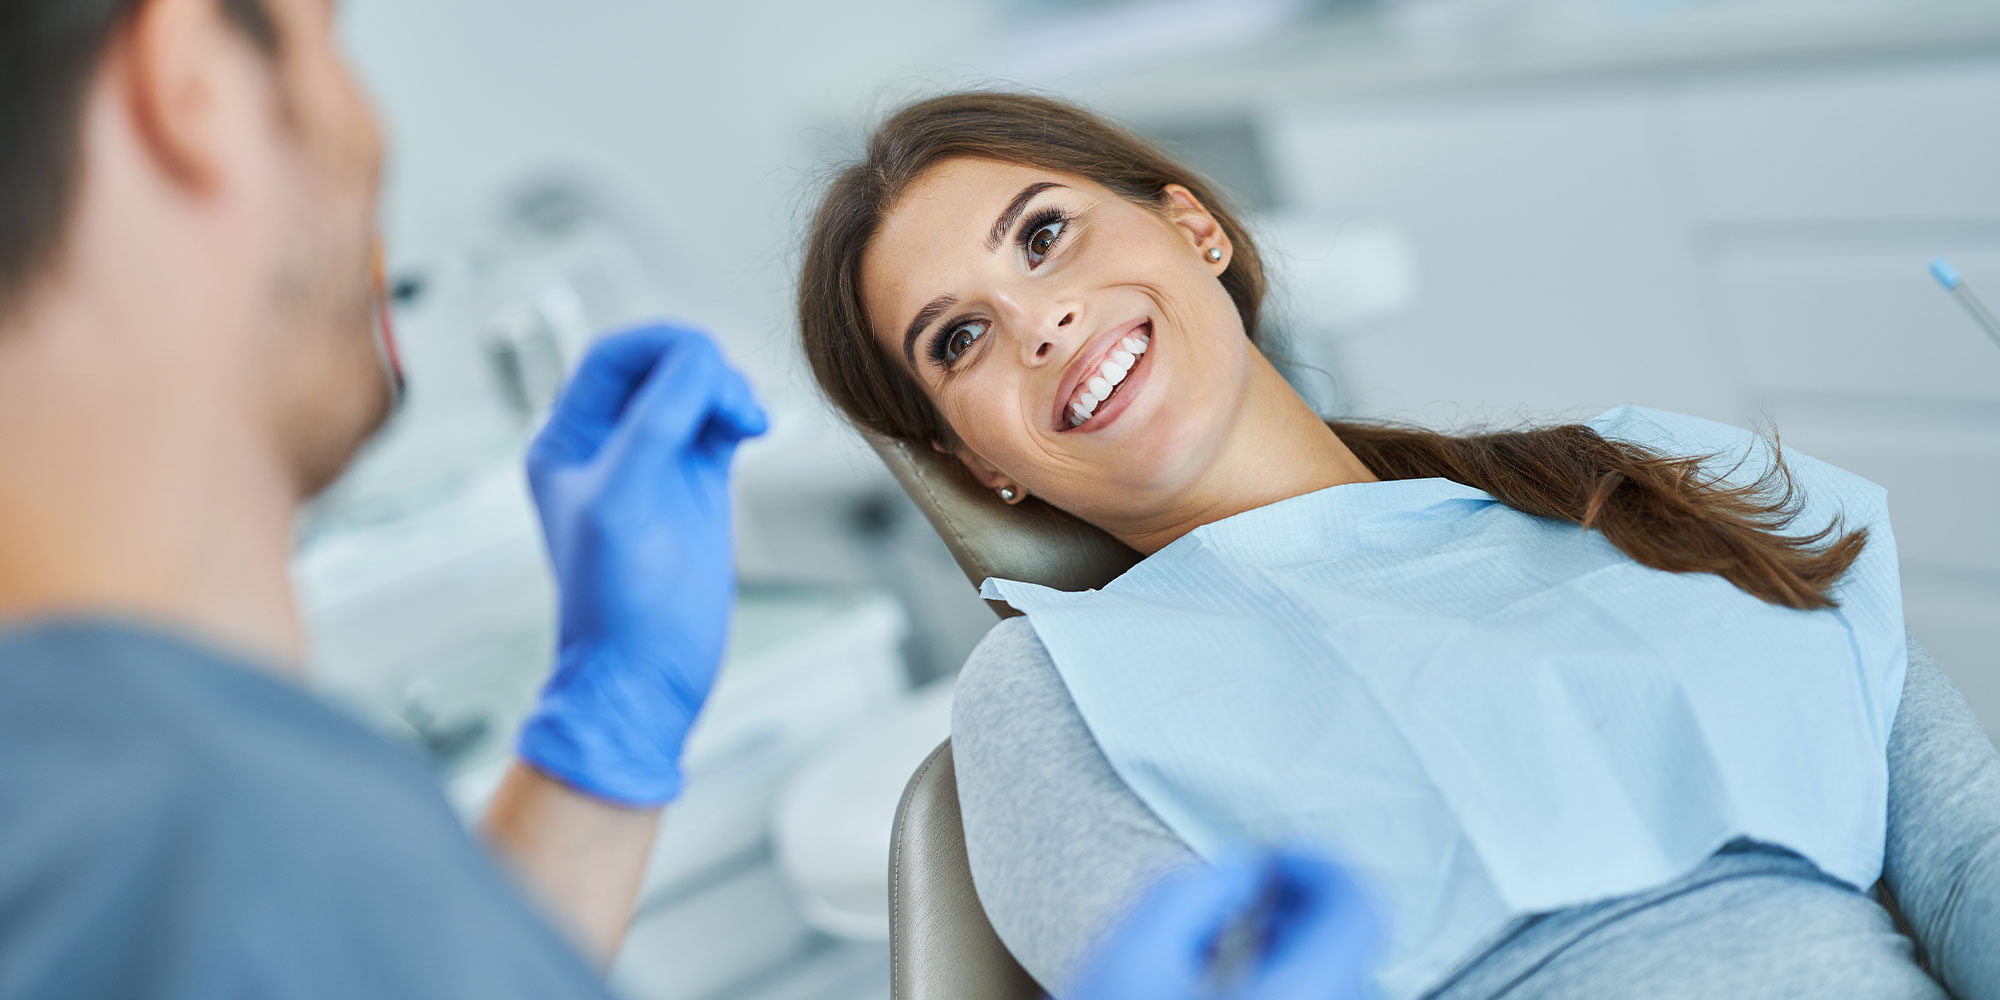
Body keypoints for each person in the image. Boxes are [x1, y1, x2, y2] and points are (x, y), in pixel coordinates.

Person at [0, 3, 1354, 998]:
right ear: (189, 86)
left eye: (1049, 234)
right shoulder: (171, 827)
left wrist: (603, 733)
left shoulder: (162, 809)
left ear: (1199, 229)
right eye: (328, 40)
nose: (372, 144)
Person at [795, 92, 2000, 999]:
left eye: (1044, 234)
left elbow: (1965, 862)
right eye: (957, 338)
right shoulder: (1050, 689)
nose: (1038, 322)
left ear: (1194, 228)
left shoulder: (1650, 482)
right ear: (976, 463)